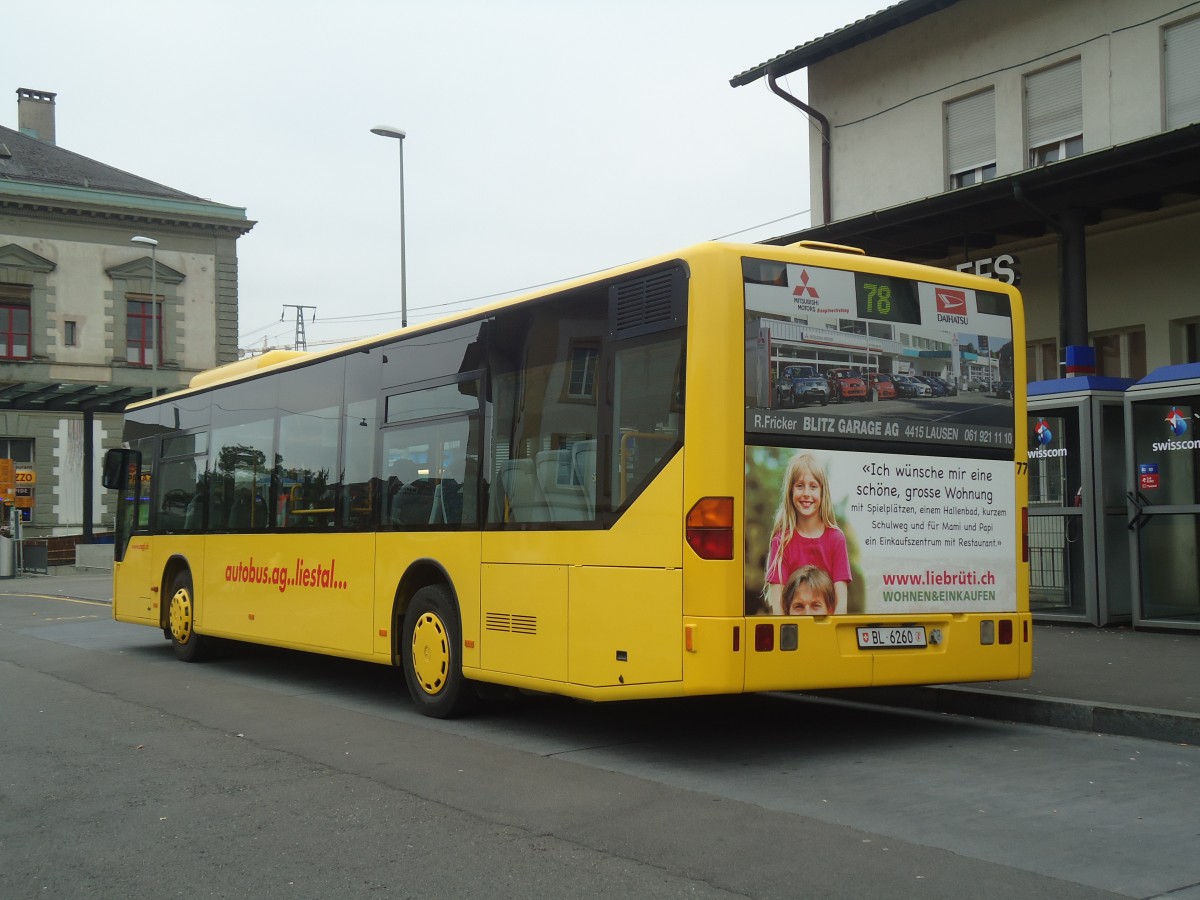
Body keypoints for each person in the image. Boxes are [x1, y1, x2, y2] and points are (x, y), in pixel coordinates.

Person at [763, 452, 851, 614]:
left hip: (826, 627)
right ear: (790, 491)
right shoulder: (781, 542)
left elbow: (841, 605)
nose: (806, 493)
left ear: (822, 492)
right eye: (800, 486)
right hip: (794, 626)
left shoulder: (836, 539)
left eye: (813, 486)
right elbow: (778, 608)